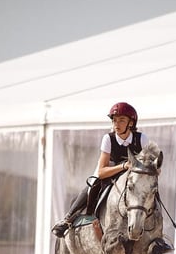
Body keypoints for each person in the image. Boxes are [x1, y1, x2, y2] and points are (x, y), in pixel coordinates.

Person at [52, 102, 149, 238]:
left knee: (150, 188)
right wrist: (122, 166)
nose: (116, 124)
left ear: (131, 123)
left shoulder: (142, 139)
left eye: (121, 120)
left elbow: (150, 164)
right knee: (92, 185)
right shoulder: (108, 139)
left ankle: (156, 229)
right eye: (114, 120)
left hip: (133, 176)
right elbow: (102, 171)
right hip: (110, 171)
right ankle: (67, 219)